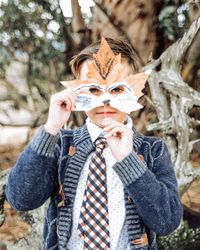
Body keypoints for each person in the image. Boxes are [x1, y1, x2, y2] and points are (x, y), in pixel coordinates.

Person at [6, 37, 183, 250]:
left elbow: (167, 222)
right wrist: (51, 128)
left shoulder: (153, 150)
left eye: (117, 89)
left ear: (136, 89)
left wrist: (129, 161)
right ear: (76, 92)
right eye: (93, 90)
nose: (105, 101)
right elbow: (21, 200)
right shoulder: (61, 145)